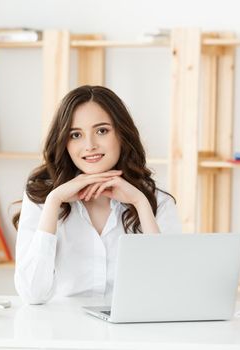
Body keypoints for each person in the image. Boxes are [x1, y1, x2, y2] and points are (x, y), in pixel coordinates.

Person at [12, 85, 182, 304]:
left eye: (102, 131)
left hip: (131, 334)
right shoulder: (43, 198)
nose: (90, 145)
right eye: (76, 135)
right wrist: (54, 202)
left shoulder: (157, 202)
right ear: (64, 142)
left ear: (122, 134)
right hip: (61, 332)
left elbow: (169, 291)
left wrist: (140, 203)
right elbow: (31, 294)